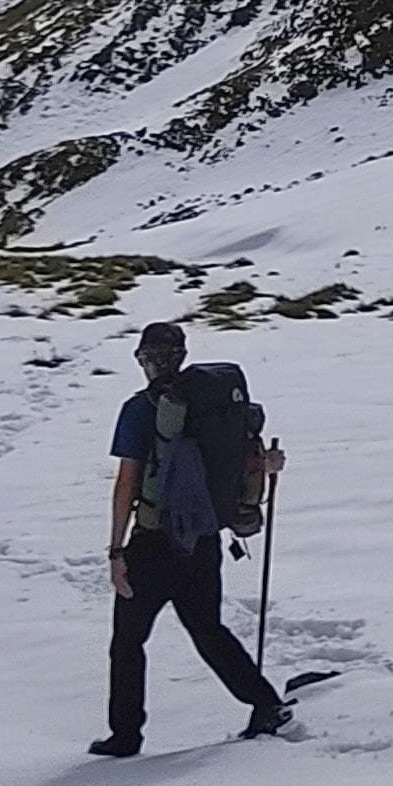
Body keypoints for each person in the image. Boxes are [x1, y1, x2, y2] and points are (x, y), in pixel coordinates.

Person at [91, 320, 292, 755]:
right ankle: (265, 703)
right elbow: (245, 459)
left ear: (144, 360)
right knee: (208, 629)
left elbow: (126, 484)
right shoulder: (213, 405)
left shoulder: (140, 410)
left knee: (128, 642)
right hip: (203, 539)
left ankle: (125, 736)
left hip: (153, 544)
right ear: (181, 356)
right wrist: (267, 465)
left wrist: (116, 551)